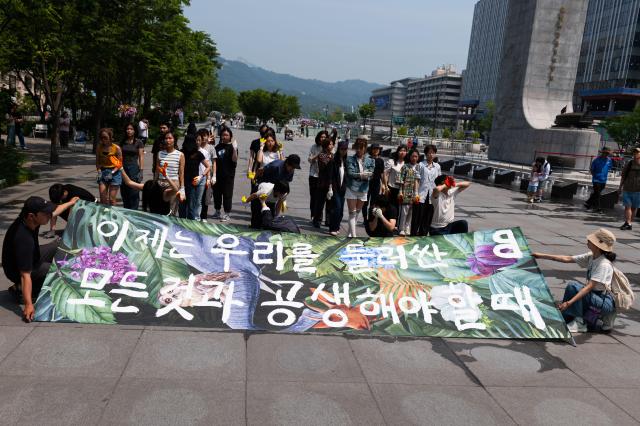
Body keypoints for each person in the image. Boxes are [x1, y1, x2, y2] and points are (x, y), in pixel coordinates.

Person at [2, 196, 80, 321]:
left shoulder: (32, 219)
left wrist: (71, 203)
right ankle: (22, 291)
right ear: (32, 216)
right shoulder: (23, 238)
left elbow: (55, 211)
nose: (50, 215)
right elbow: (24, 275)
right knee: (55, 270)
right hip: (18, 270)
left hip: (33, 256)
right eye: (46, 213)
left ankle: (26, 286)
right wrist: (28, 305)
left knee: (59, 245)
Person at [532, 228, 618, 333]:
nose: (588, 240)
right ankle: (570, 317)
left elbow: (589, 287)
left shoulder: (603, 265)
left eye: (591, 240)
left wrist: (568, 303)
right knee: (571, 295)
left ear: (597, 245)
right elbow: (567, 259)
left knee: (573, 287)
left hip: (603, 301)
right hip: (593, 297)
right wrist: (541, 255)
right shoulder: (592, 256)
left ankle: (580, 322)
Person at [345, 136, 375, 238]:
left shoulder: (371, 160)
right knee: (352, 213)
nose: (359, 150)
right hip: (352, 188)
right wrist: (362, 175)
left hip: (363, 188)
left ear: (365, 148)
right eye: (357, 147)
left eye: (361, 148)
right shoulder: (350, 159)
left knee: (357, 213)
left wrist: (367, 175)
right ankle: (354, 235)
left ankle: (349, 233)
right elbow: (350, 173)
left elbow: (371, 173)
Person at [413, 144, 441, 236]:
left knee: (427, 218)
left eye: (433, 153)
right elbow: (417, 180)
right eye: (429, 153)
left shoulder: (437, 166)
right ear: (425, 154)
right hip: (421, 195)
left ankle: (423, 236)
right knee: (417, 218)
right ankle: (413, 235)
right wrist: (416, 193)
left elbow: (439, 181)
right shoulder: (420, 165)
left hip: (432, 197)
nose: (431, 155)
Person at [155, 131, 185, 216]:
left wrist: (182, 189)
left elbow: (181, 172)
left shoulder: (180, 155)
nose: (168, 140)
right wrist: (154, 183)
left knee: (171, 212)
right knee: (159, 211)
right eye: (166, 138)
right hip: (160, 184)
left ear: (174, 140)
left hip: (173, 185)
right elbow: (157, 170)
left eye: (170, 138)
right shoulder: (160, 153)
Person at [182, 134, 210, 220]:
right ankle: (181, 223)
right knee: (182, 205)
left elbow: (208, 166)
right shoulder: (182, 152)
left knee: (191, 205)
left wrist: (201, 176)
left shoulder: (198, 153)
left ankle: (191, 224)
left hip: (193, 183)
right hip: (182, 181)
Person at [212, 127, 238, 222]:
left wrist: (235, 149)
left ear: (230, 136)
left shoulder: (232, 147)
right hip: (218, 175)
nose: (224, 136)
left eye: (227, 135)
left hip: (228, 176)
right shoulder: (217, 147)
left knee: (227, 195)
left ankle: (227, 213)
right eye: (223, 134)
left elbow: (234, 160)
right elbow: (213, 160)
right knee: (217, 194)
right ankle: (217, 211)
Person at [119, 123, 145, 210]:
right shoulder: (122, 142)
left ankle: (134, 210)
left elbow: (141, 157)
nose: (129, 131)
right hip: (123, 168)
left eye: (131, 129)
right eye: (127, 129)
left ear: (135, 131)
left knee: (134, 191)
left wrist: (141, 171)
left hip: (134, 168)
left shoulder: (139, 142)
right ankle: (126, 210)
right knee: (124, 191)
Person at [95, 128, 123, 206]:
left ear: (110, 137)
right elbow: (97, 162)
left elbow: (120, 163)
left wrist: (112, 172)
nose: (103, 140)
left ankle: (113, 216)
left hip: (114, 172)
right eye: (102, 138)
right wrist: (99, 171)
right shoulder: (99, 147)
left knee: (112, 200)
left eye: (105, 138)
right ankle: (104, 215)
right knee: (103, 199)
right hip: (103, 171)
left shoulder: (116, 148)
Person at [312, 137, 335, 228]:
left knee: (330, 203)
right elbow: (324, 166)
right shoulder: (322, 155)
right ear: (325, 146)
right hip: (322, 182)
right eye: (330, 144)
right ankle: (317, 220)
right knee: (320, 203)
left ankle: (328, 221)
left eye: (332, 144)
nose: (332, 146)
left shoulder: (332, 155)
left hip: (331, 183)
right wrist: (331, 159)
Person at [397, 149, 421, 236]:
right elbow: (400, 180)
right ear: (409, 157)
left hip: (416, 193)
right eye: (413, 156)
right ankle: (401, 228)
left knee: (411, 212)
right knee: (404, 211)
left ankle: (407, 228)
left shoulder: (419, 167)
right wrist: (400, 191)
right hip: (405, 192)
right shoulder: (405, 167)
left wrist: (417, 193)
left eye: (416, 156)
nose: (414, 158)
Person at [329, 140, 349, 236]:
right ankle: (332, 227)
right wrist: (330, 188)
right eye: (342, 149)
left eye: (345, 149)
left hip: (343, 189)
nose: (344, 151)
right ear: (338, 149)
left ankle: (337, 226)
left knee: (341, 210)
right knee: (336, 207)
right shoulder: (333, 160)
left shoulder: (346, 161)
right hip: (335, 188)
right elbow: (330, 176)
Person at [197, 128, 217, 220]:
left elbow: (214, 162)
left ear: (208, 136)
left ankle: (204, 217)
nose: (203, 138)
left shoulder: (211, 148)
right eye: (201, 136)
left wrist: (214, 176)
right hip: (197, 174)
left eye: (205, 135)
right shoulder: (196, 147)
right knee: (197, 197)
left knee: (206, 197)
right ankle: (196, 216)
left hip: (207, 175)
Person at [308, 131, 328, 221]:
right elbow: (310, 160)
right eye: (321, 137)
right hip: (314, 175)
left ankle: (319, 216)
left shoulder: (330, 148)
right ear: (318, 138)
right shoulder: (314, 147)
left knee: (322, 198)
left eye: (324, 137)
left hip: (325, 177)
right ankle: (313, 214)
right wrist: (318, 154)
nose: (323, 138)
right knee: (314, 196)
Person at [585, 147, 612, 212]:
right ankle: (598, 208)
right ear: (602, 152)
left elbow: (609, 168)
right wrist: (595, 176)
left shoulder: (609, 160)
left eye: (607, 153)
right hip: (596, 180)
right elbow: (591, 169)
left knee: (597, 193)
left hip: (604, 180)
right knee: (597, 194)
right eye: (605, 153)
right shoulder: (596, 160)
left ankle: (588, 203)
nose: (606, 154)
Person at [362, 143, 385, 222]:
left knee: (374, 202)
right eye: (374, 148)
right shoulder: (367, 159)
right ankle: (365, 218)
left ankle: (371, 217)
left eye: (377, 149)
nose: (376, 150)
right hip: (367, 183)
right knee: (365, 201)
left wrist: (384, 185)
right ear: (371, 150)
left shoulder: (381, 160)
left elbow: (382, 174)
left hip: (376, 184)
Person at [619, 147, 640, 231]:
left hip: (638, 190)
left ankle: (629, 223)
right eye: (634, 152)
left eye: (637, 152)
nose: (635, 154)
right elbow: (623, 176)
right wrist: (620, 187)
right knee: (628, 207)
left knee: (634, 208)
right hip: (627, 188)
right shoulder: (629, 163)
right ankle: (628, 222)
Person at [384, 145, 408, 214]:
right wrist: (385, 186)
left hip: (402, 190)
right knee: (390, 206)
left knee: (399, 208)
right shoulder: (391, 162)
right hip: (391, 188)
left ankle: (396, 223)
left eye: (404, 151)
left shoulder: (407, 163)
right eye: (401, 150)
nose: (402, 152)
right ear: (397, 152)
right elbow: (385, 174)